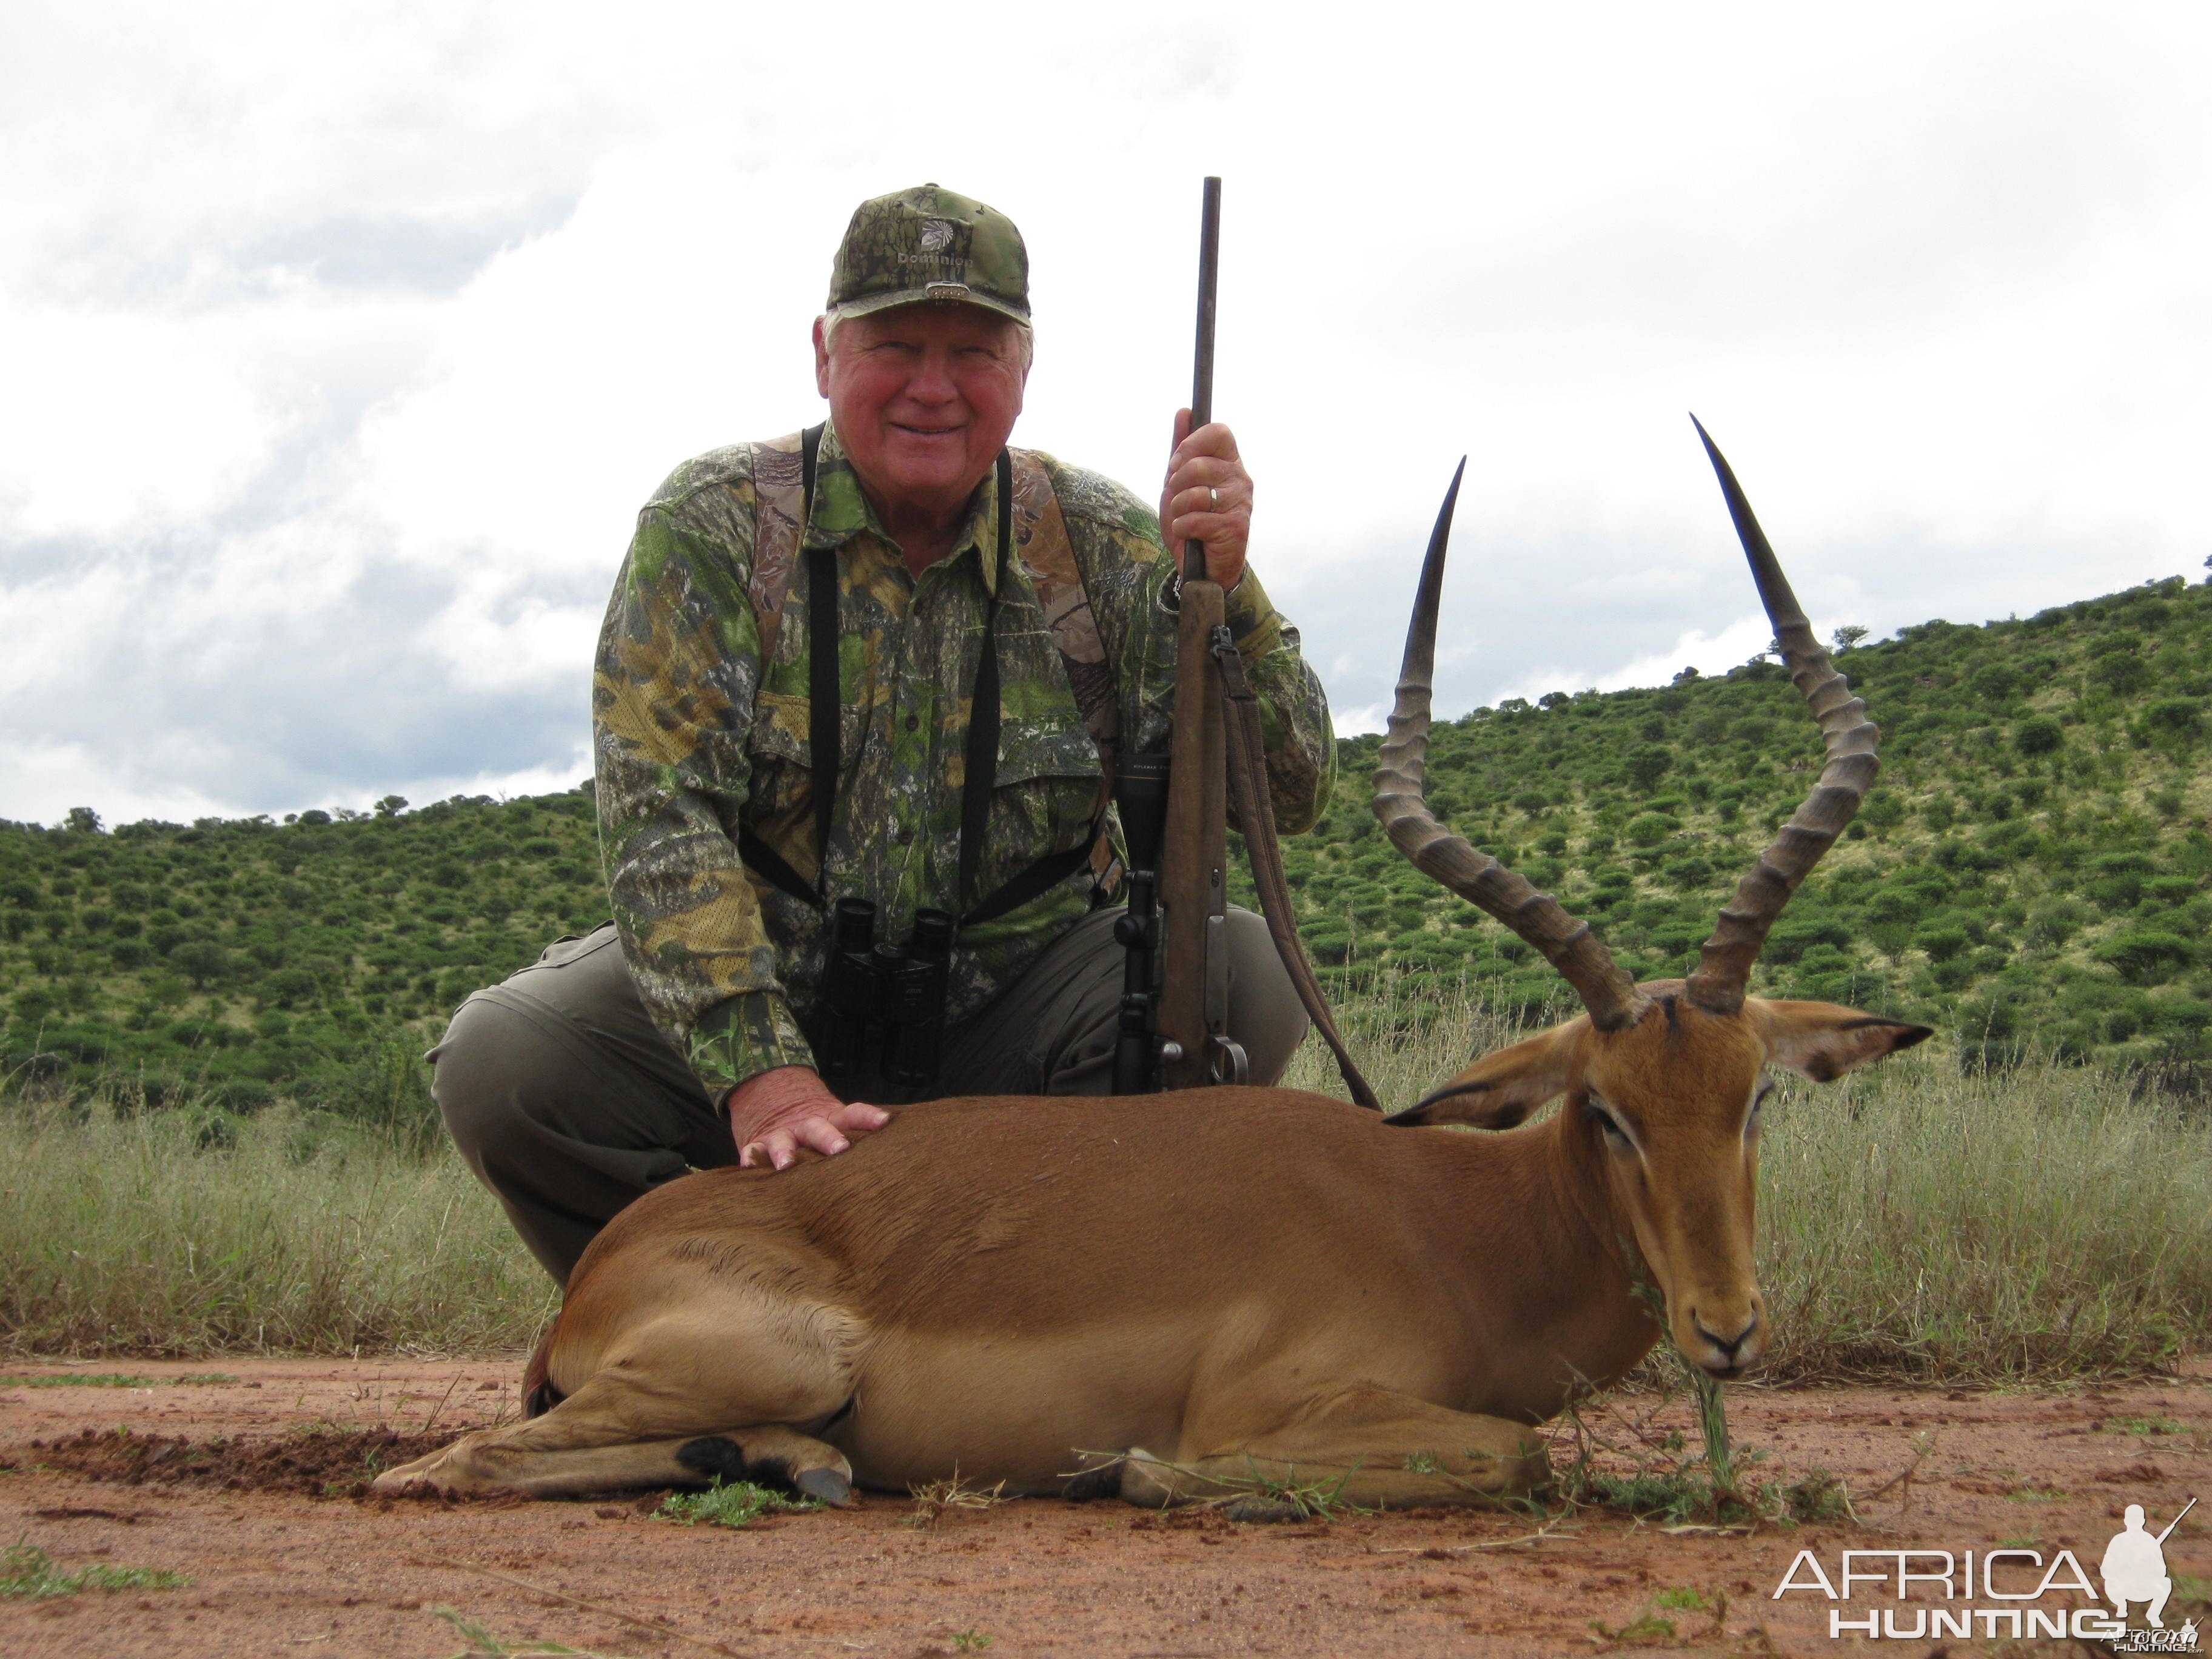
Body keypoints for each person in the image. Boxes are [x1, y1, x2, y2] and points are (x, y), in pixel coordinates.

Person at [431, 184, 1337, 1284]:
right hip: (774, 1005)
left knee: (1239, 969)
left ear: (1025, 367)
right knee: (507, 1063)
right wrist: (765, 1073)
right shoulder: (715, 525)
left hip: (1011, 1039)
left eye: (973, 352)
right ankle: (704, 1326)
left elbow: (1289, 793)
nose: (932, 389)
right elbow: (663, 828)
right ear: (824, 354)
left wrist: (1228, 587)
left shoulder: (1106, 545)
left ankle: (1037, 1340)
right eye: (895, 345)